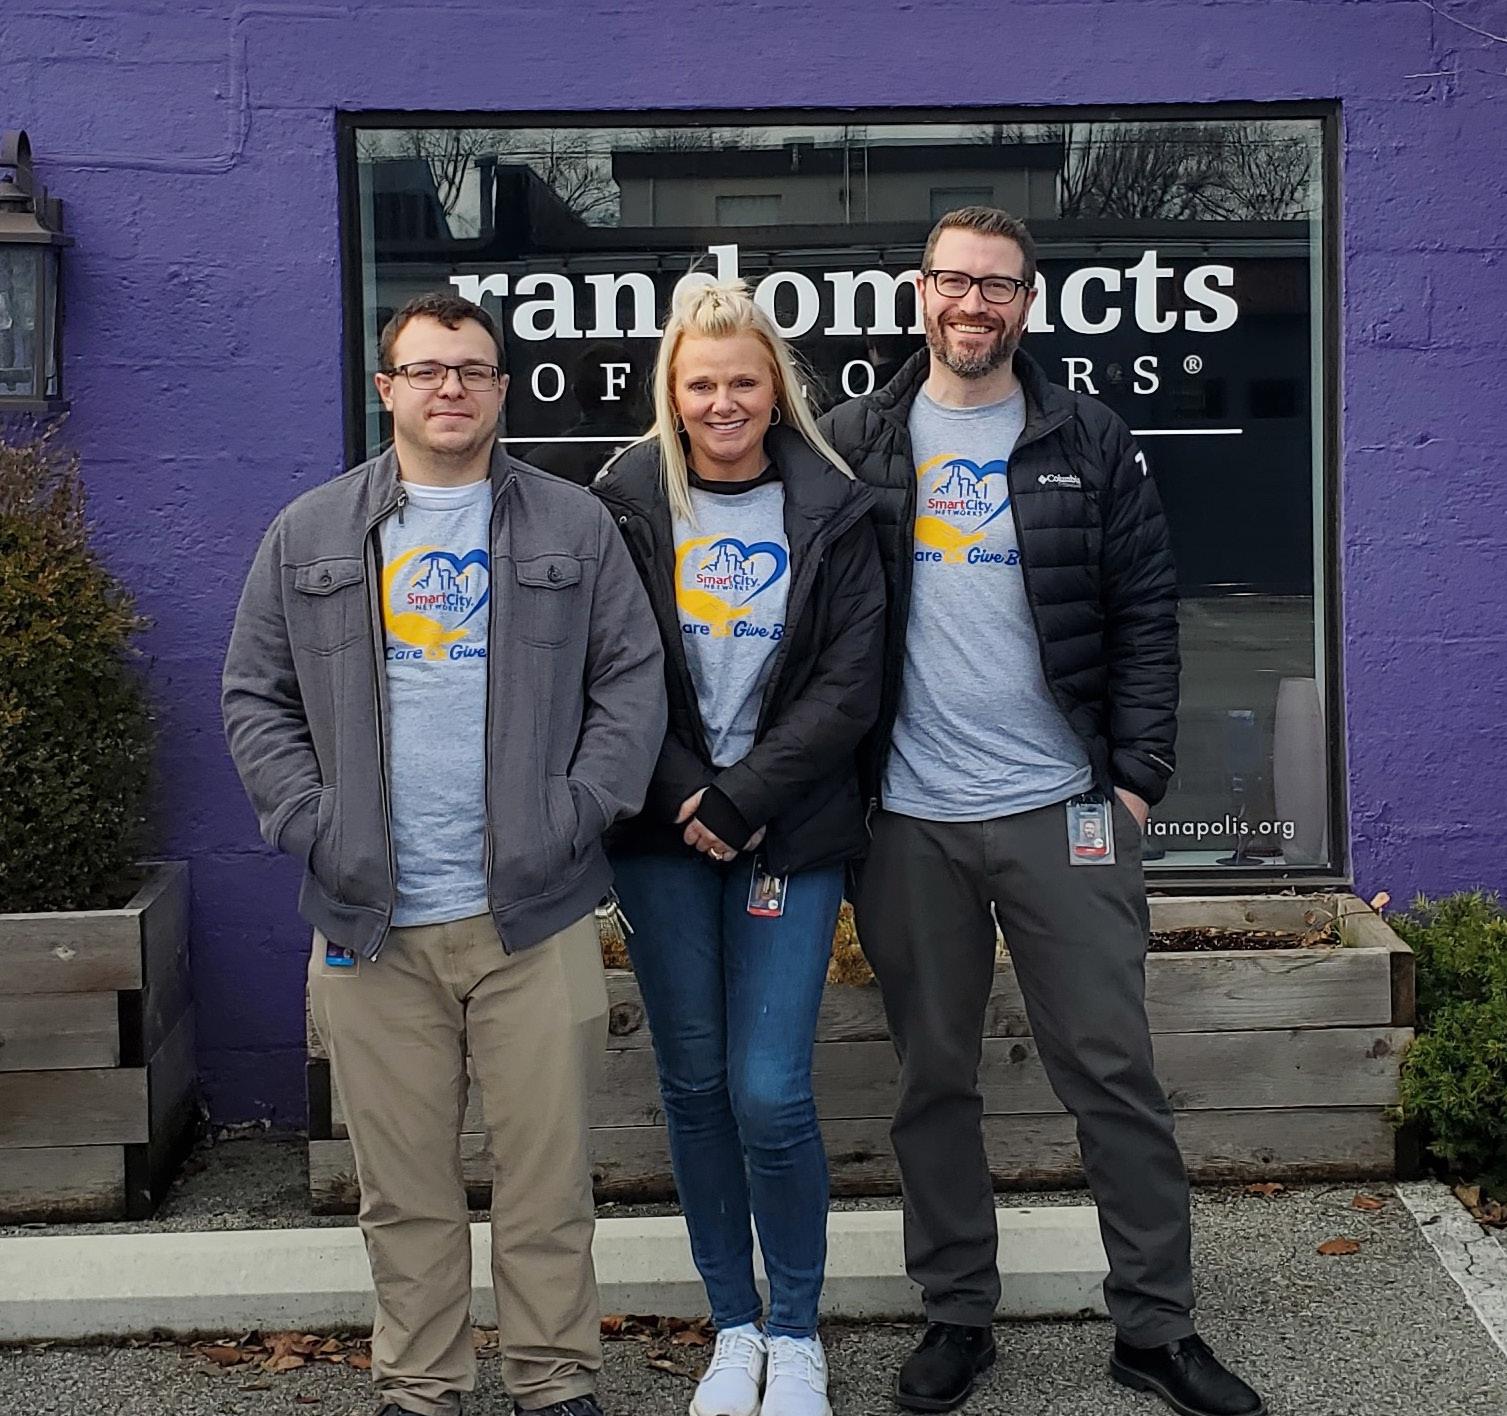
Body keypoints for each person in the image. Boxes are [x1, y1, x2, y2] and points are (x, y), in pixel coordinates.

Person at [821, 208, 1266, 1416]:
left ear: (1027, 302)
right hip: (907, 818)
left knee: (1112, 1072)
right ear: (919, 293)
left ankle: (1155, 1329)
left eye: (998, 286)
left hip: (1063, 808)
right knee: (932, 1080)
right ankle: (957, 1315)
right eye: (952, 280)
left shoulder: (1086, 434)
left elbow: (1144, 613)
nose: (973, 303)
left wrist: (1135, 780)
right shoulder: (856, 439)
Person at [223, 291, 666, 1416]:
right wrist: (313, 825)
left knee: (548, 1184)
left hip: (534, 915)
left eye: (471, 369)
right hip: (369, 922)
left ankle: (554, 1381)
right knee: (402, 1190)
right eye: (425, 370)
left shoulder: (573, 526)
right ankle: (420, 1385)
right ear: (388, 389)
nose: (450, 388)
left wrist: (576, 811)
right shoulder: (310, 533)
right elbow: (255, 697)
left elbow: (630, 683)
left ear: (502, 388)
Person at [591, 279, 885, 1416]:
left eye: (743, 382)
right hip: (661, 835)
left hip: (789, 833)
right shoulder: (623, 503)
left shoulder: (833, 507)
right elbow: (610, 670)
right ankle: (735, 1326)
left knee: (768, 1091)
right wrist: (692, 797)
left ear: (777, 391)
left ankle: (798, 1332)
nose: (723, 402)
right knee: (695, 1085)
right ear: (672, 392)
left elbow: (850, 681)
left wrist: (749, 794)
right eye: (701, 383)